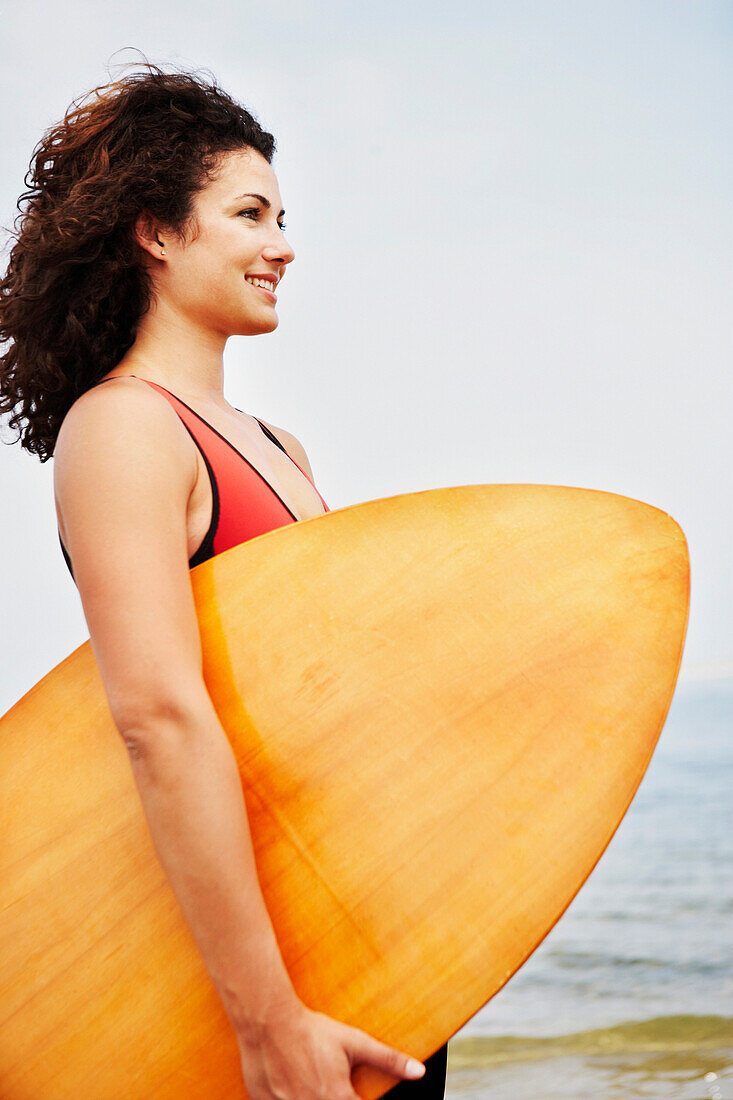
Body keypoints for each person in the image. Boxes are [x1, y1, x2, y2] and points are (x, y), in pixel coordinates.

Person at [0, 63, 449, 1099]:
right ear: (156, 231)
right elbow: (160, 717)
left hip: (357, 950)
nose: (283, 245)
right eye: (249, 214)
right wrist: (266, 1019)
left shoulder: (278, 445)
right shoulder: (123, 430)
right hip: (257, 993)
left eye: (282, 216)